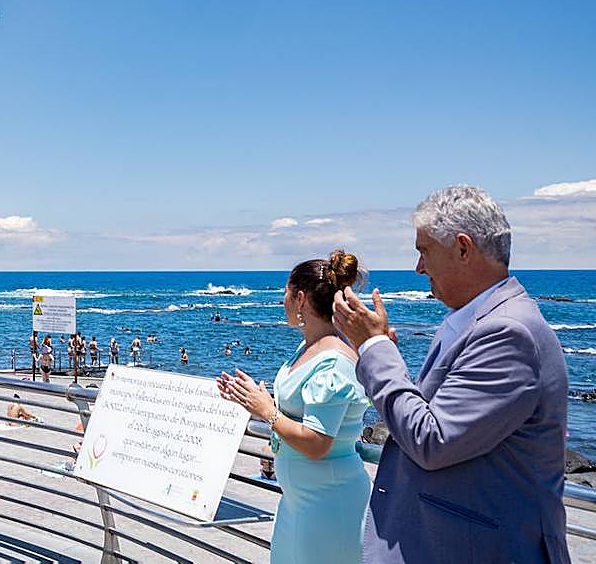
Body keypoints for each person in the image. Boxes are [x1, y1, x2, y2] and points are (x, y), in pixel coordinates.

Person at [333, 185, 570, 564]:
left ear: (463, 248)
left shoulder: (508, 332)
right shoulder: (474, 319)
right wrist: (381, 354)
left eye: (424, 251)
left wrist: (374, 350)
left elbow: (433, 440)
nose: (419, 268)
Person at [218, 250, 371, 564]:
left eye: (284, 295)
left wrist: (266, 411)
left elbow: (317, 443)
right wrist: (252, 399)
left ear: (300, 298)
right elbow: (299, 411)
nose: (282, 303)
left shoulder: (333, 362)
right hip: (299, 499)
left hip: (329, 501)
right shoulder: (309, 346)